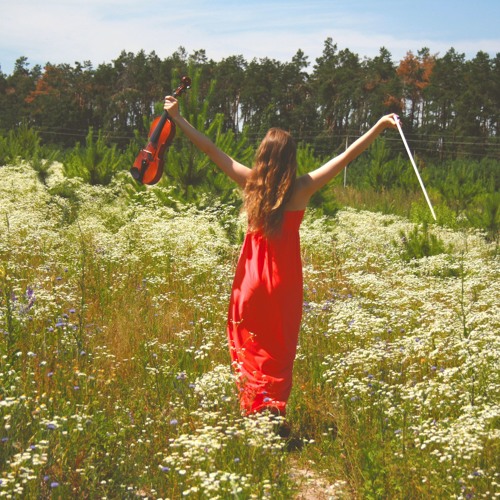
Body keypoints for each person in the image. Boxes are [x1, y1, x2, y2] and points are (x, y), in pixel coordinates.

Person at [164, 95, 398, 417]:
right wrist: (379, 126)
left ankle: (252, 406)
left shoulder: (250, 183)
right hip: (284, 283)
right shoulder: (302, 188)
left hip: (251, 281)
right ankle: (273, 410)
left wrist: (178, 118)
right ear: (291, 159)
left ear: (263, 155)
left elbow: (210, 149)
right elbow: (346, 156)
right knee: (280, 348)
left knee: (248, 343)